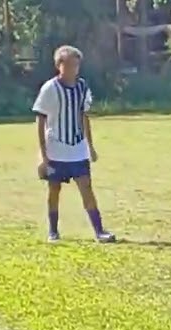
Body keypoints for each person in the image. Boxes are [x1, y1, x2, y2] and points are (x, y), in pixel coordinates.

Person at [32, 45, 115, 243]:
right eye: (69, 65)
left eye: (76, 65)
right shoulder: (50, 88)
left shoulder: (82, 87)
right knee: (54, 189)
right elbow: (41, 120)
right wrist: (44, 155)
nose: (73, 69)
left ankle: (99, 230)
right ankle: (53, 231)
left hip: (77, 148)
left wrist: (90, 145)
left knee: (86, 187)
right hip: (56, 148)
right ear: (59, 66)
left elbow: (83, 116)